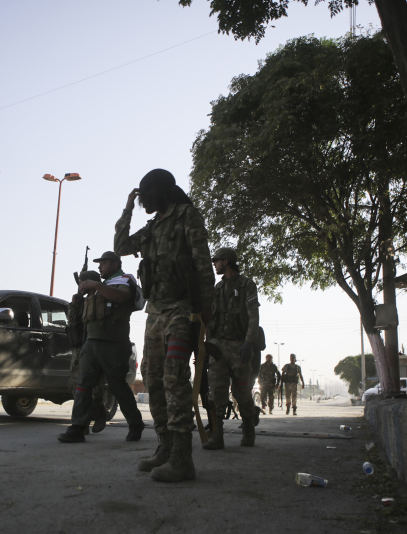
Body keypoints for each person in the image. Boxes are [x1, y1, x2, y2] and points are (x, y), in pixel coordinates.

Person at [114, 169, 215, 483]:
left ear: (160, 191)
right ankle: (166, 447)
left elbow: (202, 263)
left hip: (183, 311)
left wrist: (206, 310)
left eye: (145, 195)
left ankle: (182, 458)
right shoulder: (152, 226)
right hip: (156, 313)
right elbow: (120, 246)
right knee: (152, 377)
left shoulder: (187, 216)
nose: (143, 201)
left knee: (174, 376)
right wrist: (127, 209)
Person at [58, 251, 145, 443]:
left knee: (117, 386)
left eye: (103, 263)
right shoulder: (101, 286)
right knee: (82, 385)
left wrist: (96, 285)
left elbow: (122, 297)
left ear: (115, 264)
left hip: (113, 344)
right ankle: (77, 428)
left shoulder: (124, 280)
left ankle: (135, 423)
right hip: (91, 342)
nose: (99, 267)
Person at [203, 247, 260, 450]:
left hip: (239, 345)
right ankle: (217, 435)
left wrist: (249, 342)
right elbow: (210, 320)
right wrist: (207, 345)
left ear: (226, 261)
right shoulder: (218, 288)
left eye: (216, 260)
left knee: (241, 391)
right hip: (218, 346)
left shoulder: (246, 285)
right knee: (216, 391)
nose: (214, 264)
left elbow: (253, 316)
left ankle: (248, 428)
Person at [66, 270, 109, 434]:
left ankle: (98, 412)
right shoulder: (81, 301)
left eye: (82, 282)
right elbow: (72, 321)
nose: (80, 286)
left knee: (94, 387)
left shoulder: (101, 299)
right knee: (75, 385)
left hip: (94, 346)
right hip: (79, 347)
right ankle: (81, 424)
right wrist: (74, 304)